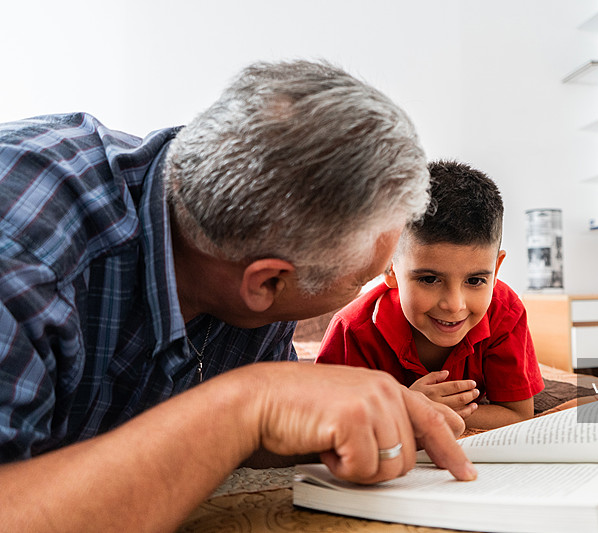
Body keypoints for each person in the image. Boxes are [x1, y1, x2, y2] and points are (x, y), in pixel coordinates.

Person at [0, 60, 476, 532]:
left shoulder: (261, 232)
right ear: (265, 284)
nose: (364, 291)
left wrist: (322, 424)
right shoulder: (25, 251)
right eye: (361, 280)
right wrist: (249, 404)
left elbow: (254, 435)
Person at [316, 160, 544, 430]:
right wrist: (406, 406)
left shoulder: (505, 311)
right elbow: (326, 423)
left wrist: (431, 412)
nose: (454, 305)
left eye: (475, 280)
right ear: (388, 267)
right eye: (429, 279)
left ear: (495, 270)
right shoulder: (351, 331)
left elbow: (518, 415)